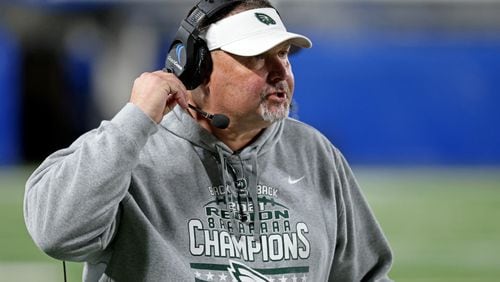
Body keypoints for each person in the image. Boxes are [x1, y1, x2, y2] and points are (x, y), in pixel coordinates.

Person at [24, 0, 393, 281]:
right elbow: (58, 235)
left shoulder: (315, 154)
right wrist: (134, 122)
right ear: (196, 67)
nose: (281, 71)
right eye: (258, 58)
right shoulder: (128, 150)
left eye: (283, 55)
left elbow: (366, 275)